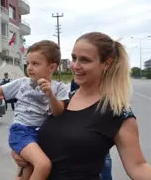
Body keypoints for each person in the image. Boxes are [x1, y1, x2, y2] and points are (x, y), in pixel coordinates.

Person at [12, 32, 151, 180]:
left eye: (85, 60)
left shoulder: (116, 111)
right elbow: (31, 130)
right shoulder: (62, 99)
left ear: (106, 63)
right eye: (74, 58)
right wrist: (20, 150)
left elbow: (138, 166)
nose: (75, 66)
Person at [0, 40, 69, 180]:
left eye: (36, 64)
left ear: (51, 67)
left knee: (26, 171)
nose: (30, 68)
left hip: (42, 134)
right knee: (43, 165)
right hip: (21, 131)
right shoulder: (22, 83)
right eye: (28, 63)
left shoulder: (59, 88)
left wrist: (50, 95)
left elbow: (58, 112)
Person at [70, 78, 112, 180]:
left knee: (105, 163)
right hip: (79, 131)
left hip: (98, 133)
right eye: (74, 60)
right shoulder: (73, 87)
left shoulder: (107, 94)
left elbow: (137, 165)